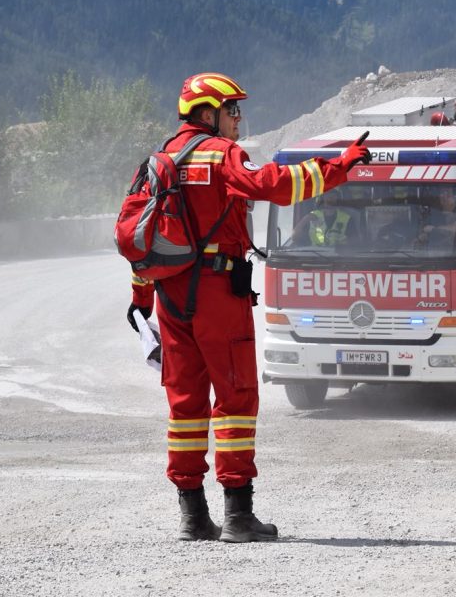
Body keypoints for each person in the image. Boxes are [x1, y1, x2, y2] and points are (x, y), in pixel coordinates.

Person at [126, 72, 370, 543]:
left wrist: (141, 301)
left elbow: (140, 240)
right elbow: (273, 185)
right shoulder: (221, 155)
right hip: (219, 292)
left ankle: (193, 516)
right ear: (207, 113)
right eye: (231, 109)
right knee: (236, 400)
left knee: (185, 407)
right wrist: (340, 166)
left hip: (171, 300)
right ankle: (238, 515)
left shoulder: (159, 161)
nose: (238, 119)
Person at [292, 189, 359, 246]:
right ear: (322, 199)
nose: (330, 199)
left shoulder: (346, 218)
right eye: (327, 196)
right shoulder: (310, 217)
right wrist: (305, 220)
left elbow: (356, 240)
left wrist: (344, 245)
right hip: (315, 258)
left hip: (339, 257)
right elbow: (294, 237)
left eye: (333, 196)